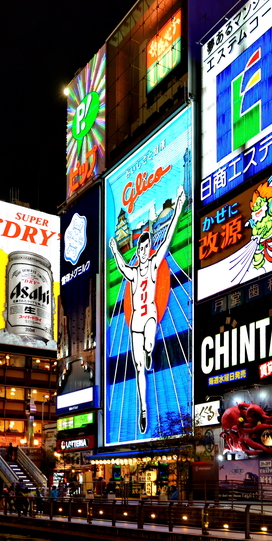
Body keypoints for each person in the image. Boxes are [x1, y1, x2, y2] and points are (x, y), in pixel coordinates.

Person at [109, 185, 186, 435]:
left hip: (150, 315)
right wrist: (113, 249)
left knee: (150, 343)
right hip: (135, 324)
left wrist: (179, 207)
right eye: (140, 249)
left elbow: (167, 239)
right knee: (139, 367)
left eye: (145, 248)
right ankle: (143, 409)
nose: (142, 252)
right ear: (138, 251)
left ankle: (151, 349)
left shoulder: (153, 265)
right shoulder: (132, 272)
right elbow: (121, 266)